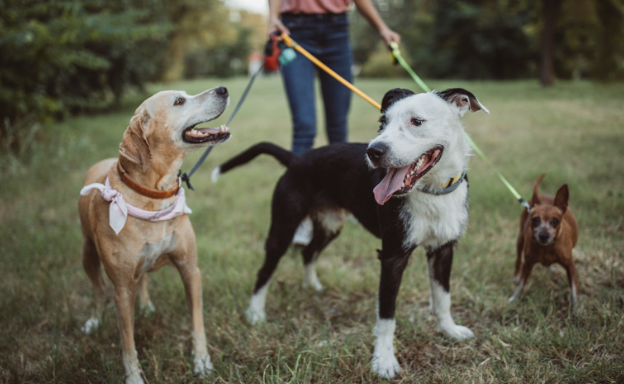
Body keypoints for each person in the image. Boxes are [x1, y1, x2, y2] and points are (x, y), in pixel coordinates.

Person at [268, 0, 401, 245]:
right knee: (304, 126)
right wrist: (272, 16)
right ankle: (301, 216)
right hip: (294, 30)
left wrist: (382, 28)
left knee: (338, 126)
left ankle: (341, 202)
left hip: (337, 31)